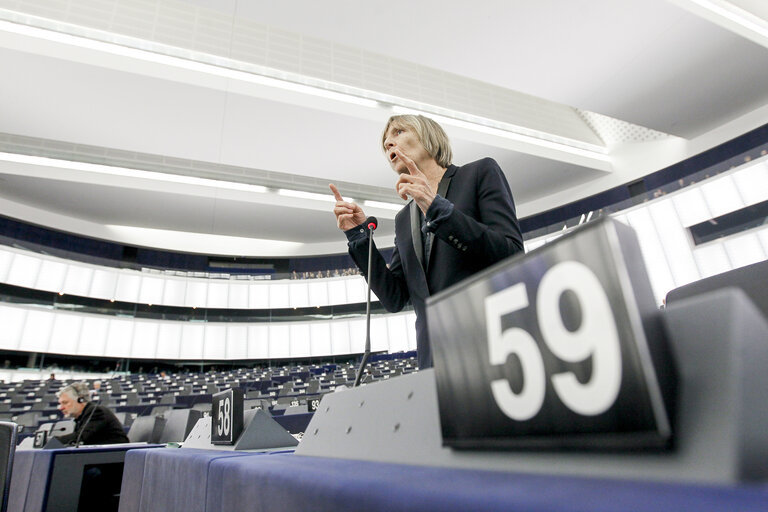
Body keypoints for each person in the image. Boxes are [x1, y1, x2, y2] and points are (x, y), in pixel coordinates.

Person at [330, 114, 524, 369]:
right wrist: (359, 237)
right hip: (434, 361)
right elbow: (395, 298)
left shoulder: (480, 173)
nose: (389, 142)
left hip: (492, 343)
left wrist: (437, 209)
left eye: (398, 132)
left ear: (428, 137)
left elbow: (511, 254)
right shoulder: (403, 219)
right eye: (385, 142)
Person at [55, 382, 129, 446]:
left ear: (81, 400)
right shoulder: (81, 417)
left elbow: (80, 438)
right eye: (60, 404)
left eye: (65, 403)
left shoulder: (96, 411)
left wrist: (52, 441)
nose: (61, 408)